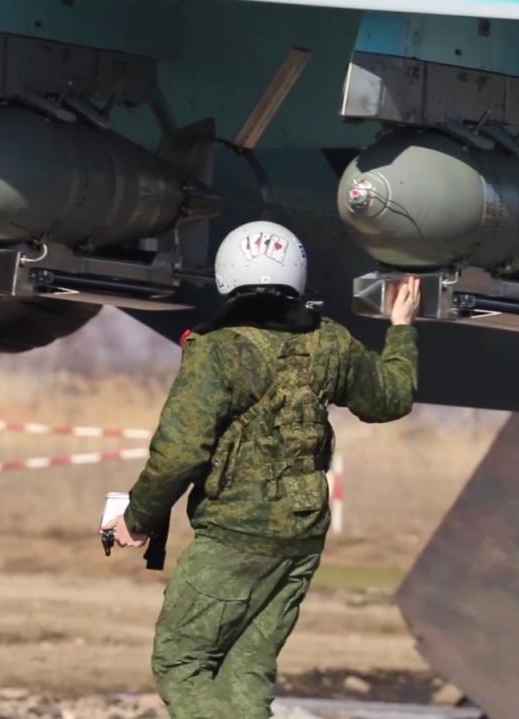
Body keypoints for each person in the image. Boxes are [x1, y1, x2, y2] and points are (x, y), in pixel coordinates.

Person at [102, 220, 420, 719]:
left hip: (235, 536)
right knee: (244, 669)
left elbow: (180, 452)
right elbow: (391, 397)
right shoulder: (330, 342)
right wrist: (401, 329)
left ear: (228, 274)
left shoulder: (217, 351)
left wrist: (137, 520)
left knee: (181, 662)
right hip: (301, 537)